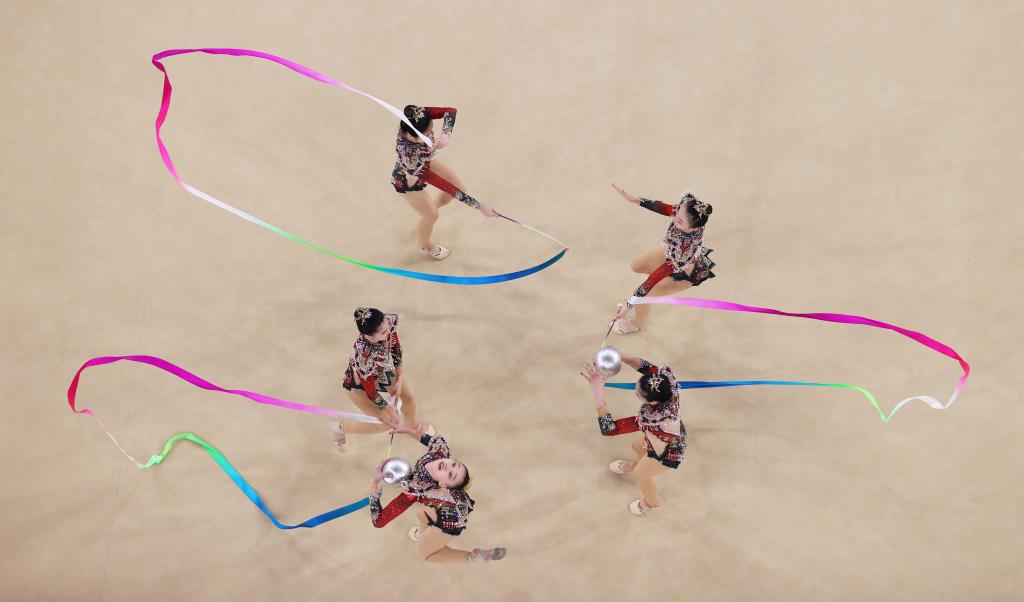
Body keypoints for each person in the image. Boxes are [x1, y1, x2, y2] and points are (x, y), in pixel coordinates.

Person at [369, 421, 507, 565]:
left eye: (450, 474)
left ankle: (473, 558)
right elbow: (430, 440)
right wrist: (407, 430)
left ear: (443, 485)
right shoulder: (440, 452)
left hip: (452, 519)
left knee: (425, 554)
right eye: (454, 464)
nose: (448, 467)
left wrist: (373, 485)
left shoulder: (416, 490)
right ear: (450, 458)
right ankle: (422, 534)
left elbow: (379, 521)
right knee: (421, 515)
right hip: (450, 503)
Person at [580, 354, 688, 516]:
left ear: (653, 402)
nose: (635, 391)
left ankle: (651, 502)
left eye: (638, 394)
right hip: (660, 436)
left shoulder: (653, 419)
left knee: (642, 475)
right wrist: (620, 356)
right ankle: (636, 465)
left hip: (667, 452)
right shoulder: (667, 382)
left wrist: (597, 392)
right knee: (636, 446)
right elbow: (646, 367)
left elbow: (609, 428)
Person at [391, 104, 499, 259]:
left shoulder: (417, 115)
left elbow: (450, 111)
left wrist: (446, 134)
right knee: (432, 215)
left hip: (426, 163)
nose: (431, 135)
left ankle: (428, 210)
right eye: (427, 134)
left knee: (459, 188)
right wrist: (480, 206)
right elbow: (447, 187)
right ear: (411, 137)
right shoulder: (413, 156)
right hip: (408, 180)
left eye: (431, 129)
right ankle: (425, 244)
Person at [609, 183, 715, 334]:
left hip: (684, 274)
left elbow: (655, 277)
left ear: (693, 228)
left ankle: (638, 324)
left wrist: (630, 303)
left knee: (642, 294)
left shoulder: (684, 248)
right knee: (636, 265)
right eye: (677, 211)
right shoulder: (686, 212)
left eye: (679, 221)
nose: (674, 217)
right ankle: (648, 295)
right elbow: (666, 208)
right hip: (671, 256)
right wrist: (636, 200)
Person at [330, 307, 430, 450]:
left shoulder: (386, 324)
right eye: (383, 332)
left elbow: (395, 348)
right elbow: (370, 390)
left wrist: (399, 377)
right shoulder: (363, 355)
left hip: (380, 372)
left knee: (408, 398)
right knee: (385, 424)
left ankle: (411, 427)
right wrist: (389, 409)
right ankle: (339, 428)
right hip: (359, 386)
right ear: (369, 337)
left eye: (388, 327)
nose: (388, 331)